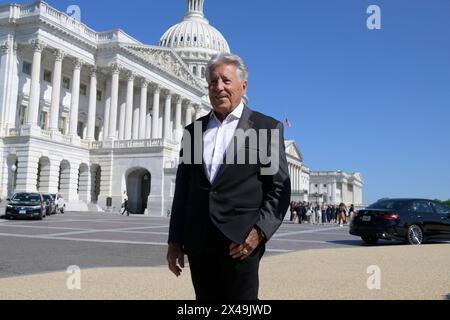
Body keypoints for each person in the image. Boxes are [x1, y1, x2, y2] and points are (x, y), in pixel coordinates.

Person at [167, 53, 291, 300]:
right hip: (199, 243)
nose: (218, 87)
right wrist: (174, 241)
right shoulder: (194, 132)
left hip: (241, 243)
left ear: (243, 86)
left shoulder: (265, 128)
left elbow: (278, 189)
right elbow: (183, 191)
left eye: (225, 80)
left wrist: (259, 233)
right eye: (213, 81)